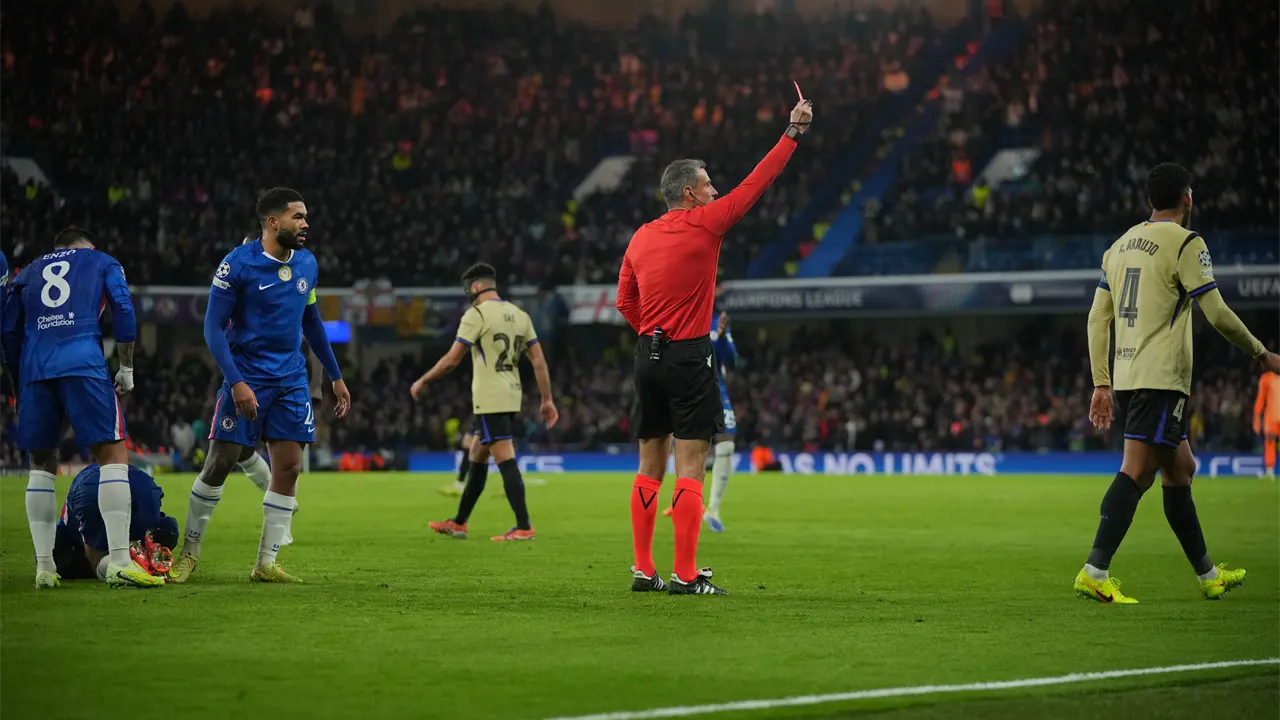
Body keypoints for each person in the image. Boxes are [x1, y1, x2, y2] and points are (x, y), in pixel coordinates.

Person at [616, 95, 813, 595]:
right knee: (690, 465)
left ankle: (643, 570)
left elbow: (624, 301)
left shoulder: (638, 237)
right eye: (707, 184)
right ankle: (685, 574)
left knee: (648, 465)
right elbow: (757, 184)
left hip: (646, 357)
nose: (715, 189)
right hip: (687, 355)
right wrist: (792, 132)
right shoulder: (708, 221)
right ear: (689, 192)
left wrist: (649, 331)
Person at [1079, 162, 1280, 603]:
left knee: (1180, 468)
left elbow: (1098, 318)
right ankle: (1095, 569)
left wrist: (1101, 382)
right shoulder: (1187, 243)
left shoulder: (1118, 247)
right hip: (1161, 378)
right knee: (1137, 470)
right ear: (1187, 198)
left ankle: (1208, 576)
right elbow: (1218, 313)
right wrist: (1261, 353)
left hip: (1130, 376)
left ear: (1150, 200)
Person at [169, 188, 350, 584]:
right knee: (219, 462)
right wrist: (236, 382)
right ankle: (189, 553)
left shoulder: (307, 264)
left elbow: (312, 322)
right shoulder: (237, 265)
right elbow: (212, 327)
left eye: (305, 217)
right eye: (298, 217)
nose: (306, 224)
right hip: (248, 375)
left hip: (291, 380)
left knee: (288, 466)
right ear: (273, 222)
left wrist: (335, 376)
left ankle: (265, 562)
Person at [1, 227, 161, 589]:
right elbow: (122, 306)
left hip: (35, 370)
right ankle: (120, 561)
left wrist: (17, 386)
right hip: (83, 361)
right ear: (88, 247)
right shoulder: (102, 261)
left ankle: (44, 567)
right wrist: (127, 367)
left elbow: (9, 333)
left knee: (41, 466)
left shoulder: (27, 272)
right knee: (113, 456)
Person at [412, 262, 558, 541]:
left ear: (476, 286)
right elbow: (538, 360)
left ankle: (524, 526)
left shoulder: (476, 314)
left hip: (490, 397)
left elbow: (453, 359)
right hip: (511, 393)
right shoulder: (520, 314)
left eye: (469, 288)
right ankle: (459, 522)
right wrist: (547, 399)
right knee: (478, 454)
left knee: (504, 456)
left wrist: (423, 380)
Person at [53, 464, 180, 583]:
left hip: (92, 485)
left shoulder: (67, 536)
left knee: (106, 562)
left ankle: (135, 564)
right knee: (161, 534)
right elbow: (166, 525)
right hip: (138, 480)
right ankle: (140, 562)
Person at [704, 311, 738, 533]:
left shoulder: (717, 323)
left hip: (716, 389)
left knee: (726, 443)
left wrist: (724, 336)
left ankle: (713, 509)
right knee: (693, 450)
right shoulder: (681, 314)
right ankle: (686, 505)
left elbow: (732, 361)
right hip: (686, 390)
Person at [1252, 369, 1279, 480]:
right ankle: (1269, 471)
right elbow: (1260, 399)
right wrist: (1257, 419)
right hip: (1271, 417)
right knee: (1269, 442)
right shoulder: (1266, 378)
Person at [441, 428, 479, 497]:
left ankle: (460, 483)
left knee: (468, 443)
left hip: (489, 419)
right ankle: (460, 482)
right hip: (482, 419)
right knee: (468, 443)